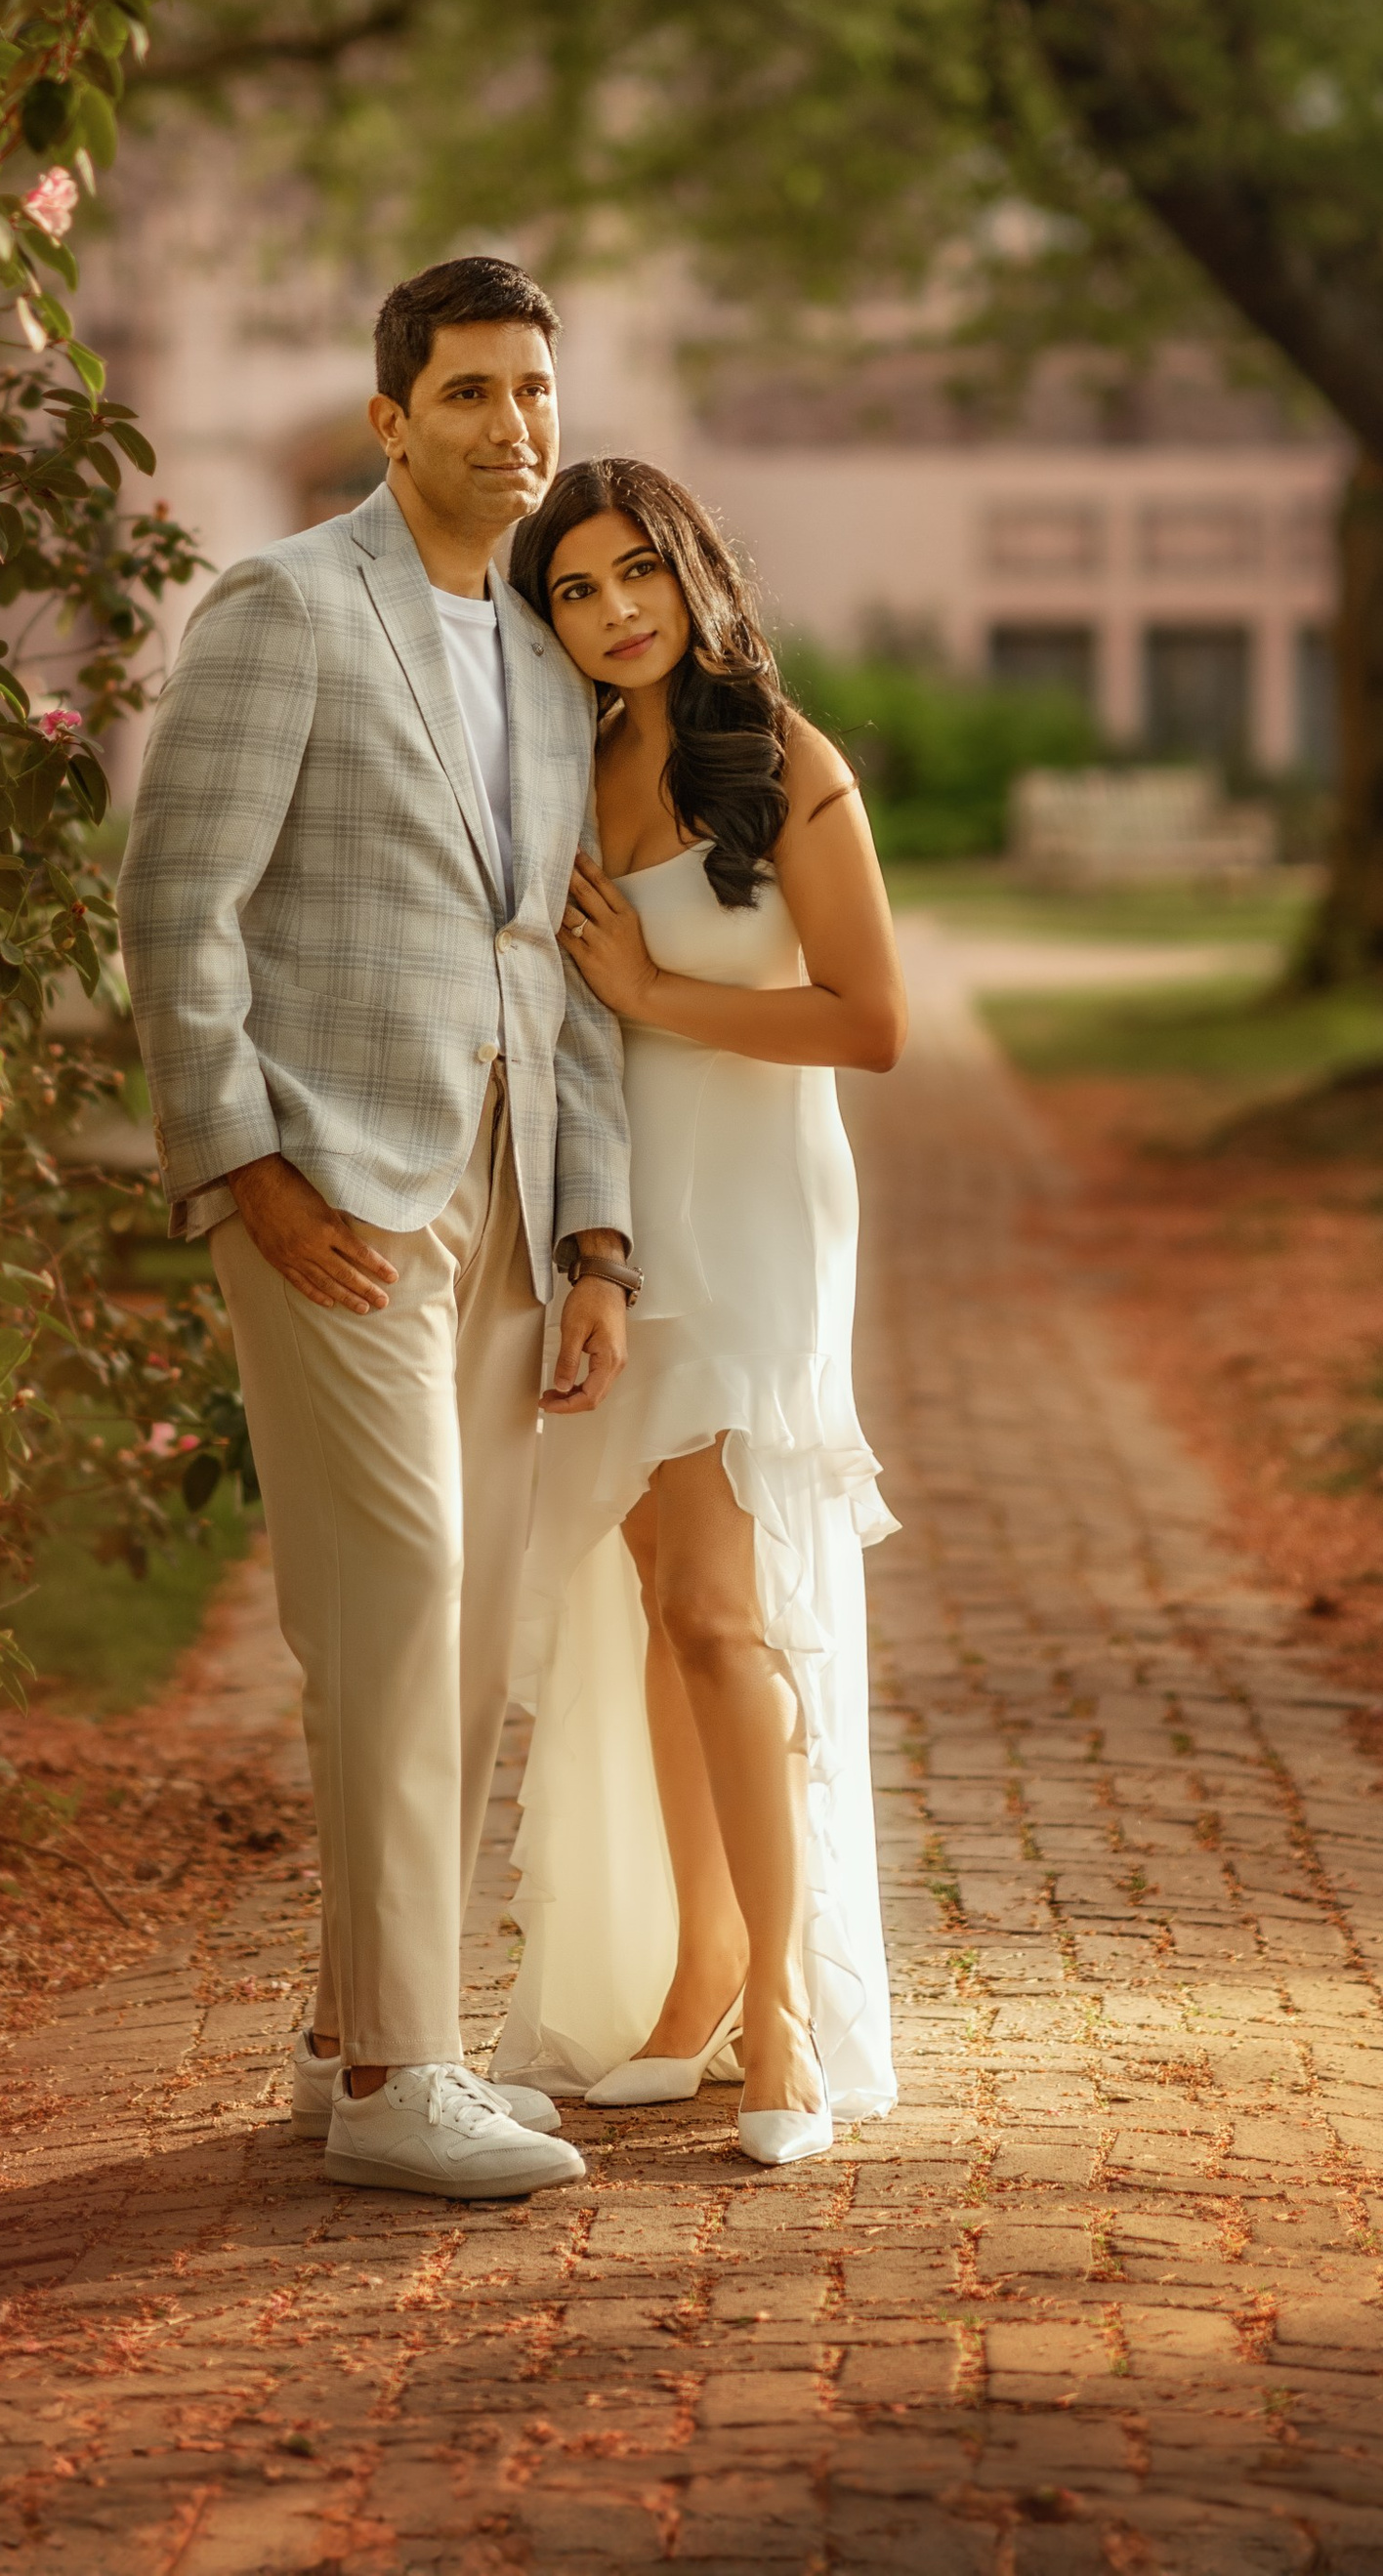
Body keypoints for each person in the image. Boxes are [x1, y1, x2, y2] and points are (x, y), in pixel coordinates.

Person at [116, 259, 641, 2202]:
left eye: (535, 389)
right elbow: (176, 907)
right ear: (390, 419)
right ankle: (402, 2079)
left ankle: (359, 2036)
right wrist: (245, 1169)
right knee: (398, 1598)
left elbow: (559, 964)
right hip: (330, 1193)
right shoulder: (285, 608)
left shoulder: (545, 657)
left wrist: (594, 1241)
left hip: (504, 1188)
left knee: (467, 1630)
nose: (515, 426)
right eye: (472, 392)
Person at [492, 458, 906, 2165]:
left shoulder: (785, 764)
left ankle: (784, 2018)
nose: (616, 613)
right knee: (666, 1600)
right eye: (577, 590)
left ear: (696, 571)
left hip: (756, 1221)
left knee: (726, 1614)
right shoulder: (561, 770)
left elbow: (870, 1022)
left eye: (638, 572)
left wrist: (658, 991)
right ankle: (698, 1979)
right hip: (614, 1227)